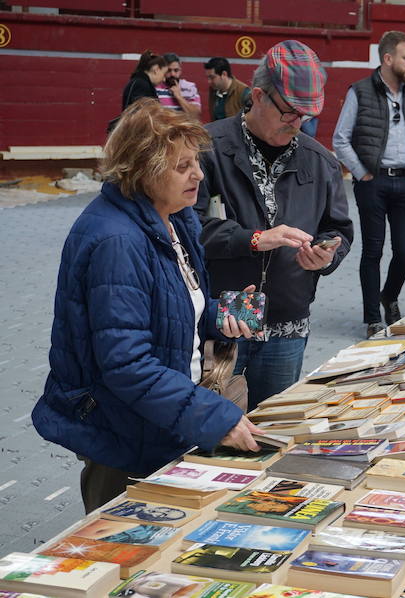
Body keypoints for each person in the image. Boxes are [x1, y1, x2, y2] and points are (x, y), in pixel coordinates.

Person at [31, 99, 262, 513]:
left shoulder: (173, 217)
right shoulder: (117, 242)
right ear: (143, 169)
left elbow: (171, 307)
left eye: (196, 162)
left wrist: (222, 314)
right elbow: (126, 364)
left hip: (160, 416)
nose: (198, 175)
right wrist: (212, 417)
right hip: (122, 433)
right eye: (182, 166)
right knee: (124, 539)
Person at [195, 40, 353, 411]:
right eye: (289, 112)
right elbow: (187, 228)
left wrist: (326, 255)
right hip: (227, 314)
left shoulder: (320, 161)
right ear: (258, 96)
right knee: (214, 428)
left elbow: (339, 229)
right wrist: (252, 239)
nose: (297, 123)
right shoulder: (207, 148)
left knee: (272, 429)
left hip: (288, 320)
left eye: (305, 115)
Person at [333, 30, 405, 338]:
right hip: (373, 183)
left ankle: (389, 295)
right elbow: (340, 138)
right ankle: (373, 318)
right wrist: (362, 172)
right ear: (388, 59)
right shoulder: (360, 91)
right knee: (373, 251)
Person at [156, 53, 202, 120]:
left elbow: (196, 116)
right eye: (168, 70)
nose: (172, 74)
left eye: (176, 70)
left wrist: (179, 96)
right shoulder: (155, 88)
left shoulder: (189, 87)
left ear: (180, 70)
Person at [204, 57, 251, 121]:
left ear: (224, 74)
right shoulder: (213, 90)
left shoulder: (244, 92)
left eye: (212, 77)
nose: (209, 81)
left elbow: (252, 120)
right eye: (208, 78)